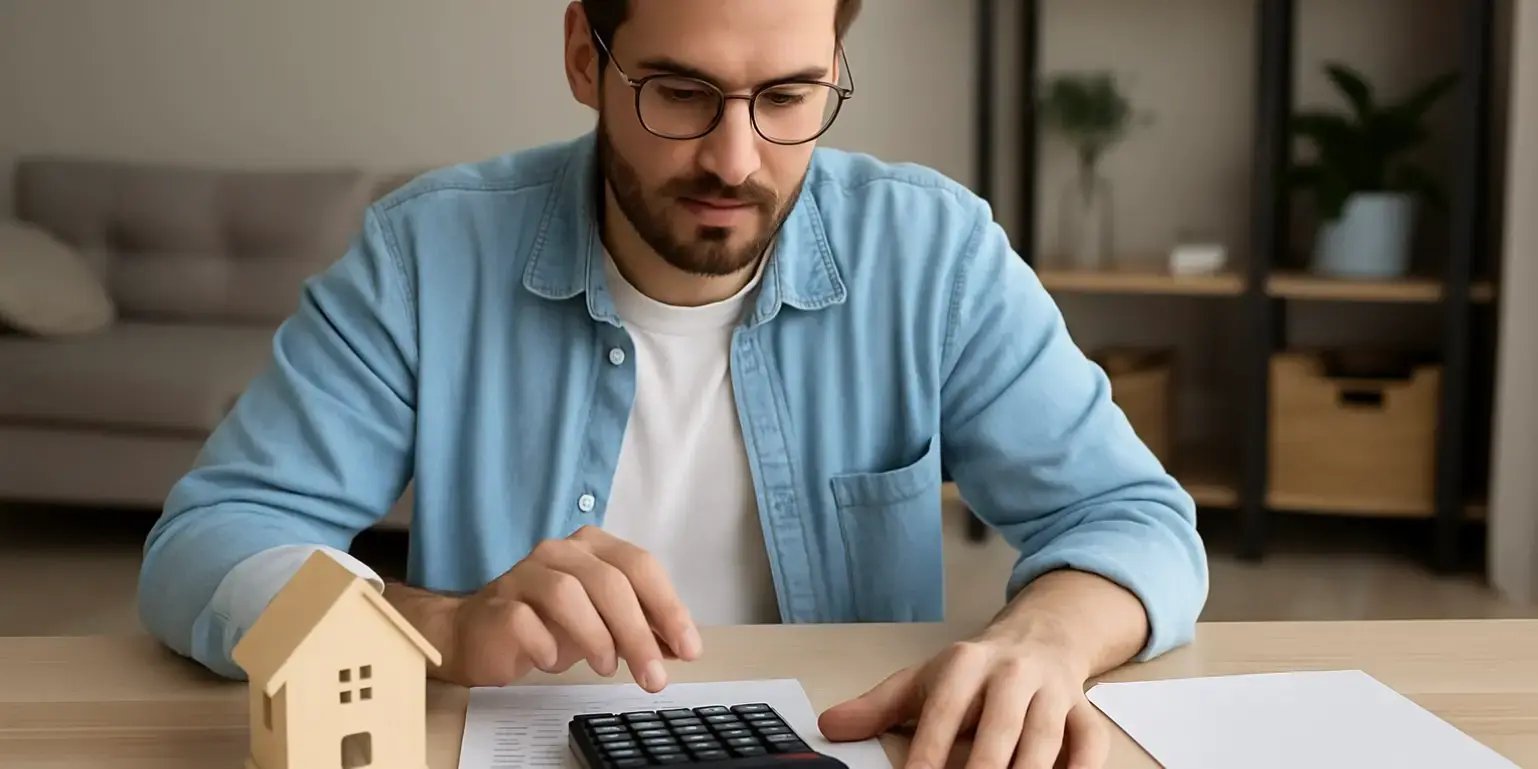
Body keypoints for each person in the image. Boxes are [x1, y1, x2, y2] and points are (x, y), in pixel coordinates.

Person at [137, 1, 1208, 767]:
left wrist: (1043, 638)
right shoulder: (426, 255)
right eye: (679, 94)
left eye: (788, 96)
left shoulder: (933, 252)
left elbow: (1131, 517)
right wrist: (437, 624)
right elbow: (209, 539)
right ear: (581, 55)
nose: (735, 159)